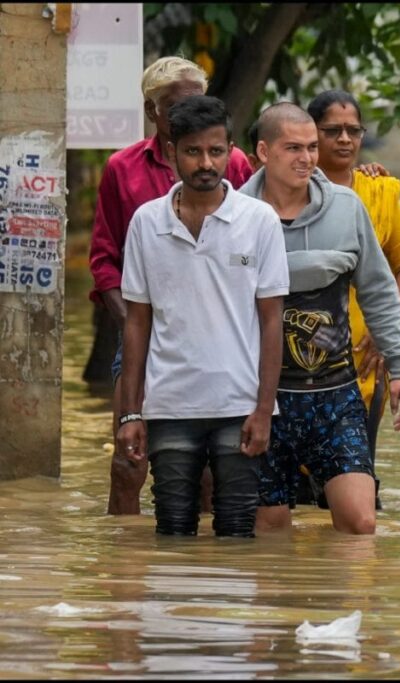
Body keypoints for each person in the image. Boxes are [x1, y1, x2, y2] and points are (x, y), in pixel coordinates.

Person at [238, 103, 400, 535]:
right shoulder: (235, 215)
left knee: (360, 523)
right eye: (293, 148)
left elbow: (378, 290)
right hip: (261, 400)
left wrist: (399, 369)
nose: (307, 159)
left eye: (311, 148)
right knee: (269, 530)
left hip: (335, 397)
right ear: (263, 151)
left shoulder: (346, 208)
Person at [116, 95, 288, 537]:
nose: (205, 163)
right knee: (172, 530)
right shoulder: (146, 223)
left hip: (240, 404)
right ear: (172, 152)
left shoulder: (260, 221)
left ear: (231, 151)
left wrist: (264, 410)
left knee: (237, 530)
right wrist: (130, 414)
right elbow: (137, 322)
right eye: (193, 151)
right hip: (170, 404)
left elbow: (272, 320)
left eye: (215, 150)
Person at [89, 56, 254, 516]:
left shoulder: (234, 163)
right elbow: (104, 261)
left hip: (217, 339)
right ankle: (125, 550)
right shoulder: (122, 168)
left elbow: (272, 214)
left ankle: (196, 555)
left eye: (198, 102)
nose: (191, 114)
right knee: (128, 461)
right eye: (178, 106)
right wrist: (138, 325)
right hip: (143, 333)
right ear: (152, 111)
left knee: (208, 473)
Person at [306, 89, 400, 510]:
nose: (344, 139)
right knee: (295, 487)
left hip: (366, 355)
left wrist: (383, 327)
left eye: (353, 131)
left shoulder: (380, 190)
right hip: (300, 354)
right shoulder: (289, 189)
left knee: (354, 472)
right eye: (332, 130)